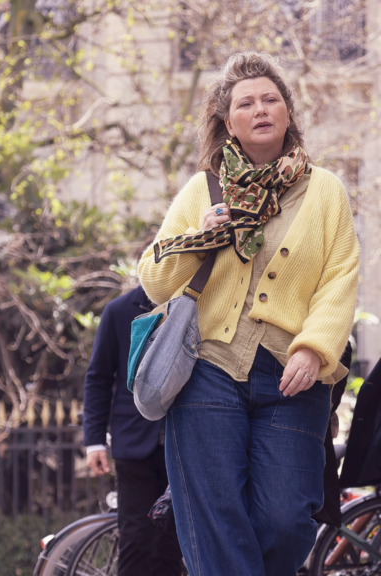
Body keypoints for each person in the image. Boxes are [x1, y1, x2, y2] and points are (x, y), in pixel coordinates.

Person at [137, 52, 359, 576]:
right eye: (246, 103)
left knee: (286, 518)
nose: (260, 109)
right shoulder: (203, 189)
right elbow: (153, 280)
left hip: (292, 375)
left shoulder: (325, 190)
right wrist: (199, 238)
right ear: (227, 121)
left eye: (271, 99)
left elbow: (340, 278)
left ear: (287, 113)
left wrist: (315, 347)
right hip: (207, 370)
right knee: (214, 514)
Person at [82, 285, 183, 576]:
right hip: (134, 443)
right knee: (136, 537)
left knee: (172, 542)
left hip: (182, 442)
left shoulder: (197, 302)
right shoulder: (118, 310)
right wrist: (94, 442)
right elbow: (99, 377)